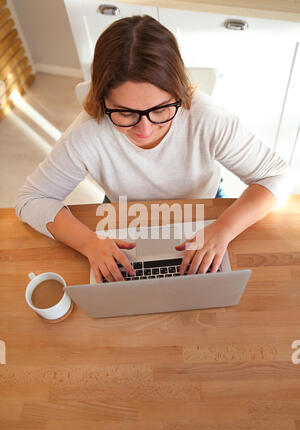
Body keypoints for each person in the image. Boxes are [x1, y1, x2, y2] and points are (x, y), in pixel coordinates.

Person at [15, 15, 291, 284]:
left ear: (179, 93)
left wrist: (223, 228)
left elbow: (277, 175)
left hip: (202, 208)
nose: (144, 130)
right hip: (123, 213)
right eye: (124, 113)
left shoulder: (205, 117)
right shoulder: (87, 133)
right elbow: (31, 200)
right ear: (102, 100)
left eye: (160, 109)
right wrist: (89, 243)